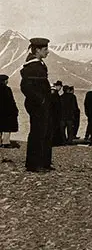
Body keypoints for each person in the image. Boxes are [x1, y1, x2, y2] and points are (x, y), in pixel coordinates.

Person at [20, 37, 54, 172]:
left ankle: (44, 162)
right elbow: (26, 87)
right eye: (45, 49)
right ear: (38, 50)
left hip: (42, 105)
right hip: (38, 106)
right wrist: (41, 100)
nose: (48, 52)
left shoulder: (37, 65)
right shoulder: (32, 66)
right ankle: (34, 164)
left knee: (45, 132)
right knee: (38, 132)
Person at [0, 74, 19, 148]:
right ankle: (6, 142)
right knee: (7, 127)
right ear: (4, 81)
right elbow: (10, 101)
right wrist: (15, 110)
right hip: (6, 112)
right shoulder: (7, 89)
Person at [50, 80, 64, 146]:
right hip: (55, 114)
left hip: (53, 114)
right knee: (55, 128)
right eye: (60, 87)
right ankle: (55, 142)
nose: (60, 88)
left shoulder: (53, 93)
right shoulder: (55, 94)